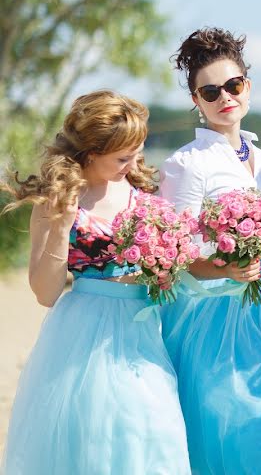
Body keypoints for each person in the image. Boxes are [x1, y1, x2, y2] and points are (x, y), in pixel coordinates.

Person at [1, 90, 191, 474]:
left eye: (137, 152)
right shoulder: (56, 200)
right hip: (82, 329)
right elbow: (45, 292)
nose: (133, 163)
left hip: (143, 328)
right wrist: (62, 226)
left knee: (149, 429)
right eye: (123, 157)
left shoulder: (147, 196)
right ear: (90, 153)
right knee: (88, 434)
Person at [159, 27, 261, 475]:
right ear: (196, 100)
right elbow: (177, 255)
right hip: (213, 318)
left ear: (248, 86)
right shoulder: (187, 164)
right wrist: (226, 268)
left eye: (234, 85)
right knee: (242, 433)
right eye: (210, 91)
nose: (224, 96)